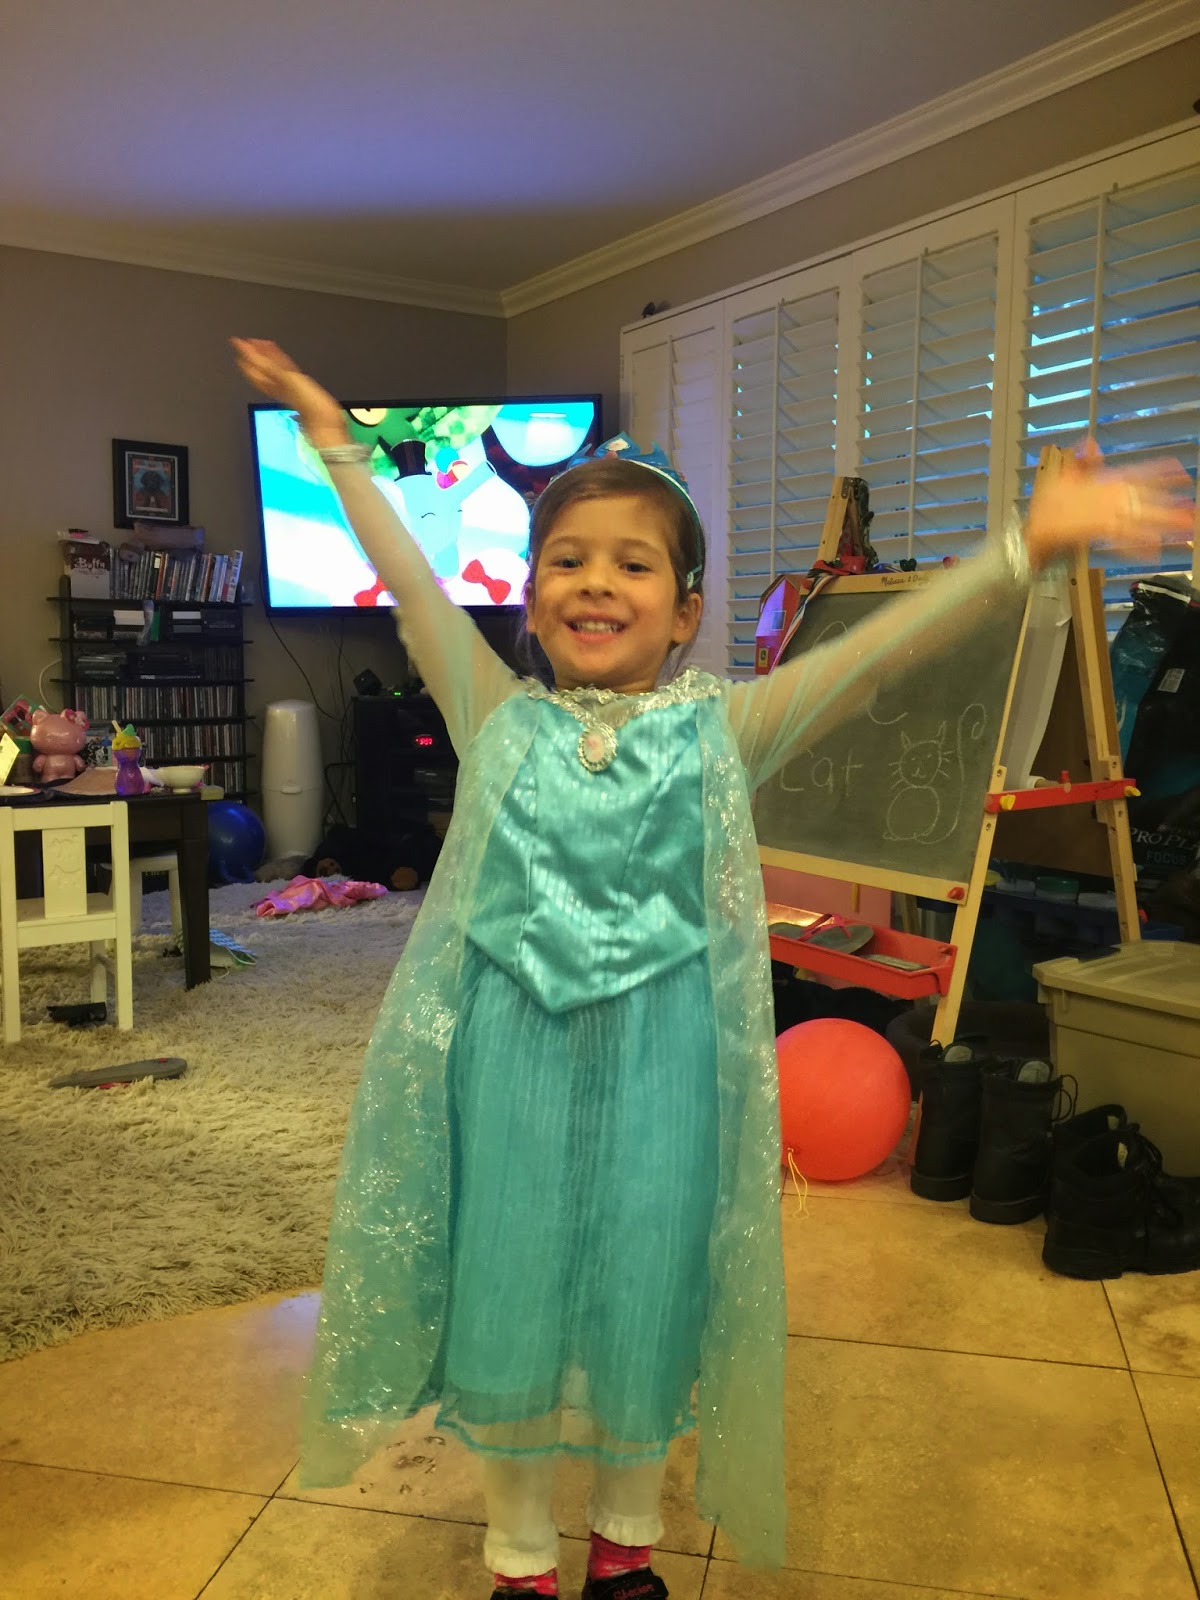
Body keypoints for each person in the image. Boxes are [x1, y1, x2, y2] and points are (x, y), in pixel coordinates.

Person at [231, 338, 1192, 1600]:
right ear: (529, 597)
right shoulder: (492, 713)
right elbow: (410, 580)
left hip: (666, 1069)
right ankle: (519, 1556)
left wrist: (1026, 544)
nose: (596, 582)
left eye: (634, 564)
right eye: (567, 560)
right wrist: (331, 434)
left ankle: (627, 1546)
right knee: (510, 1287)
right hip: (509, 1062)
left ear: (687, 612)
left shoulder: (726, 727)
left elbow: (880, 655)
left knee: (646, 1285)